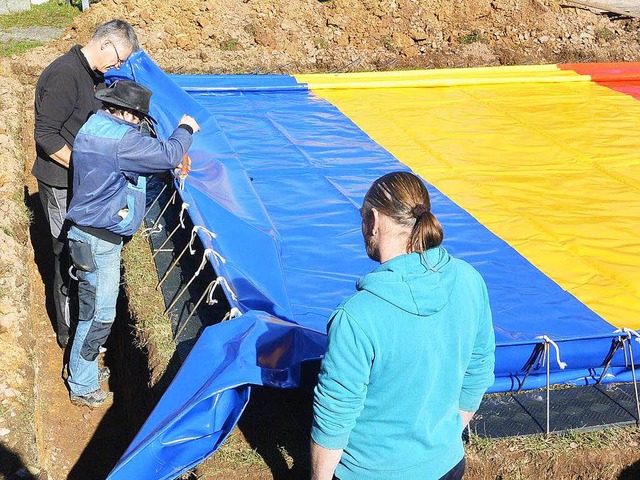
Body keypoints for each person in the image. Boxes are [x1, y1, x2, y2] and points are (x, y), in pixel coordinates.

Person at [310, 171, 496, 480]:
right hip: (447, 464)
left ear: (373, 219)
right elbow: (479, 369)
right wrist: (443, 437)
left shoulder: (357, 317)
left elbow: (334, 419)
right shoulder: (469, 280)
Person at [64, 80, 200, 407]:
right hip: (97, 242)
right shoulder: (120, 143)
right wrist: (186, 128)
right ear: (125, 112)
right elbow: (168, 154)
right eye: (139, 118)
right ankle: (82, 384)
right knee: (98, 315)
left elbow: (131, 157)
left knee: (95, 310)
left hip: (90, 234)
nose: (140, 123)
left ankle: (83, 368)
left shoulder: (97, 125)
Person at [33, 19, 139, 348]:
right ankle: (67, 338)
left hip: (80, 184)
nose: (118, 65)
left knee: (84, 257)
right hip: (60, 186)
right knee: (66, 256)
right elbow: (46, 136)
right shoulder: (66, 74)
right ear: (105, 43)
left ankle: (86, 331)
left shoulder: (93, 77)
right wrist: (88, 167)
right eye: (119, 58)